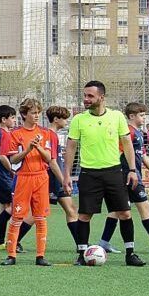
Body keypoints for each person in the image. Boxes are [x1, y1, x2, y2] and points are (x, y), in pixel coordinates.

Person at [63, 80, 146, 267]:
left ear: (102, 97)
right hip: (89, 174)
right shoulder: (79, 120)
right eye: (85, 95)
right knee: (84, 215)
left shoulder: (116, 117)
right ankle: (82, 253)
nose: (86, 99)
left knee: (124, 213)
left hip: (114, 173)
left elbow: (127, 145)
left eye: (90, 96)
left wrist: (132, 170)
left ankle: (130, 254)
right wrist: (66, 174)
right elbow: (71, 148)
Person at [95, 102, 149, 255]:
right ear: (131, 116)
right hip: (127, 176)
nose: (144, 118)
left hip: (133, 176)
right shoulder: (127, 132)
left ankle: (103, 242)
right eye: (141, 115)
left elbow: (143, 156)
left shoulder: (138, 133)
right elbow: (118, 152)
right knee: (141, 207)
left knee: (117, 210)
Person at [1, 98, 68, 266]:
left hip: (41, 178)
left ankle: (40, 256)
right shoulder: (15, 134)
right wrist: (28, 149)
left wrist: (38, 147)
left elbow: (50, 158)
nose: (36, 115)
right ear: (24, 114)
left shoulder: (45, 133)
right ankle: (11, 255)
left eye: (38, 112)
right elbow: (13, 160)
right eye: (33, 112)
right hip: (23, 178)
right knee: (17, 216)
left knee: (40, 217)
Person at [0, 105, 31, 250]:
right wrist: (12, 170)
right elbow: (3, 157)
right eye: (12, 117)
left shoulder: (2, 133)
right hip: (1, 173)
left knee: (5, 206)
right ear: (3, 120)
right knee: (14, 205)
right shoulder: (5, 134)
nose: (14, 120)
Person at [45, 106, 83, 250]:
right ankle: (14, 240)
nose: (67, 121)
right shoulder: (50, 135)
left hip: (57, 179)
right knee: (38, 213)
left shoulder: (54, 135)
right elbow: (52, 161)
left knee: (71, 209)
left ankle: (81, 244)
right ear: (56, 119)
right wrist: (63, 180)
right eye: (64, 118)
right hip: (53, 180)